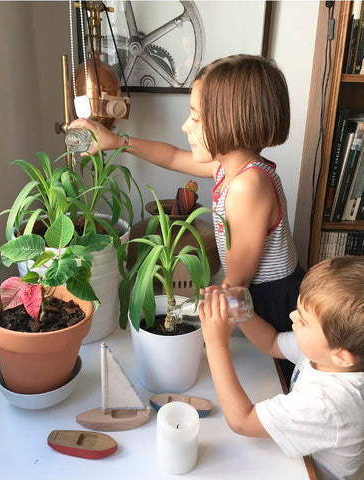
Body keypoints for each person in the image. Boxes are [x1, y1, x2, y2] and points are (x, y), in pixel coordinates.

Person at [70, 55, 303, 380]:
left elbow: (236, 286)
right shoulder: (230, 166)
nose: (185, 126)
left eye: (195, 117)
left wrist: (204, 331)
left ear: (231, 121)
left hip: (269, 304)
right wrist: (116, 142)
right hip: (255, 295)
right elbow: (171, 155)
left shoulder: (248, 187)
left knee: (274, 379)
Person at [198, 255, 364, 480]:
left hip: (309, 473)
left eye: (303, 321)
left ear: (342, 357)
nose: (292, 316)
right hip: (300, 459)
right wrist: (237, 307)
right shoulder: (326, 353)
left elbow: (242, 421)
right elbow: (272, 342)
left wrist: (216, 345)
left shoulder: (329, 402)